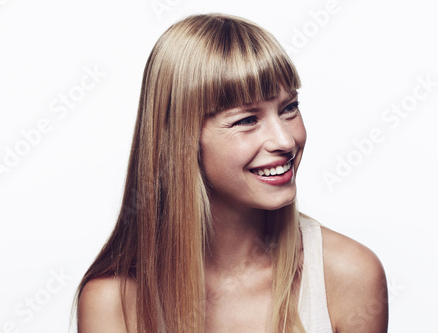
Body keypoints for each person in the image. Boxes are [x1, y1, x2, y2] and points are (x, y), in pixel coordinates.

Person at [75, 13, 388, 332]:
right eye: (247, 120)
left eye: (288, 108)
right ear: (181, 140)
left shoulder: (349, 274)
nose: (285, 140)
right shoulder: (113, 301)